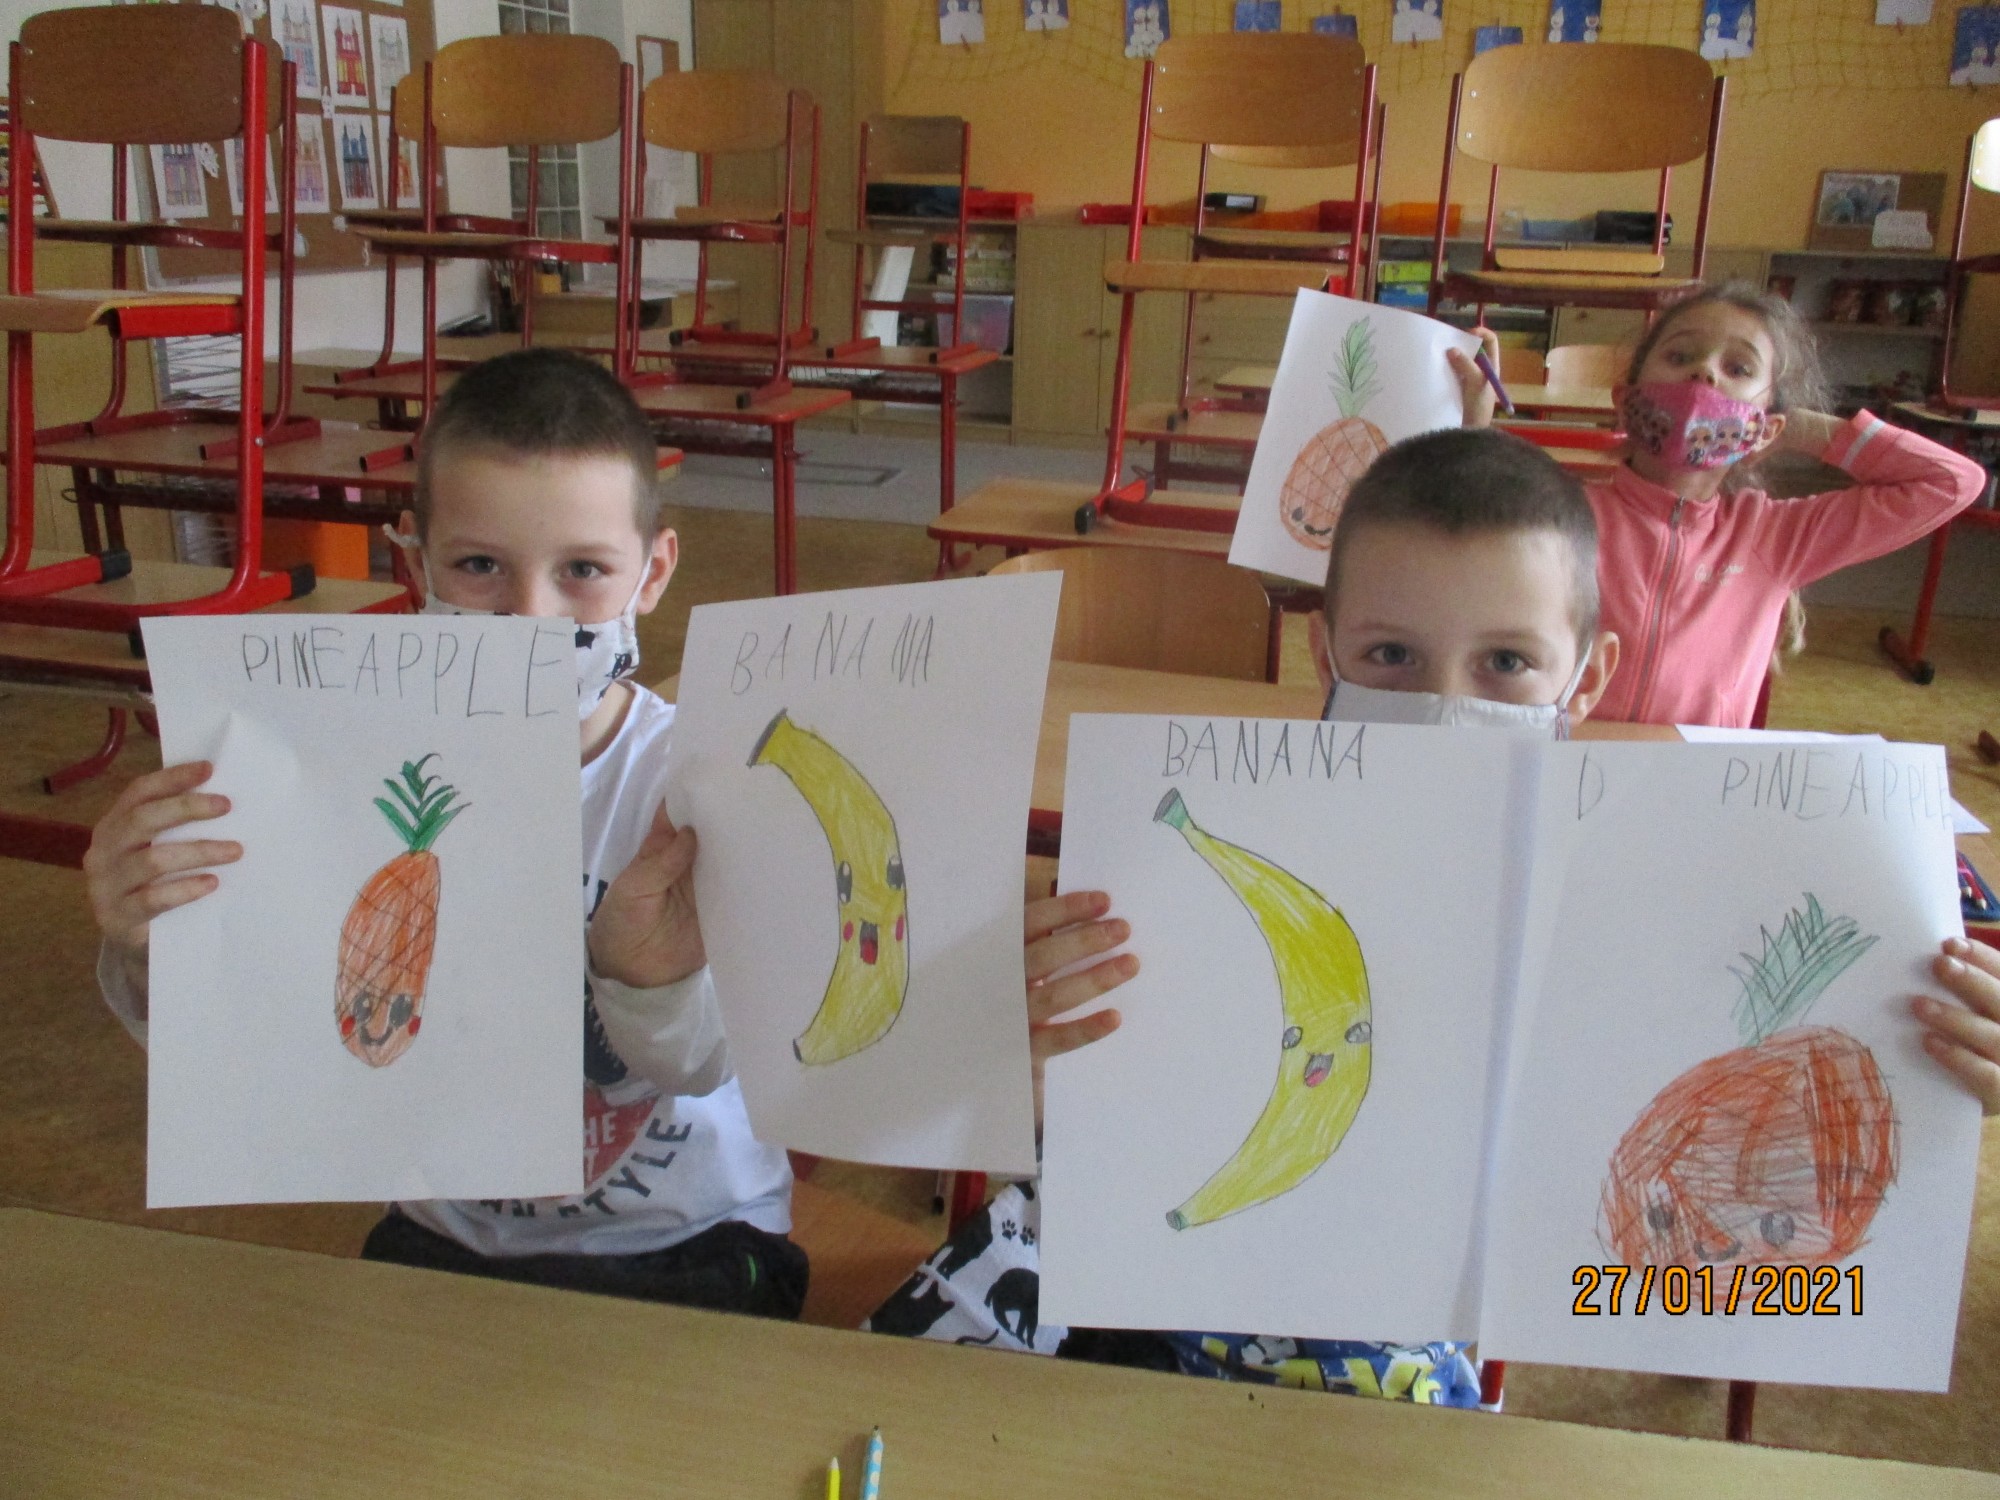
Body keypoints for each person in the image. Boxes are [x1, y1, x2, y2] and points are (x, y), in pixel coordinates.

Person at [867, 430, 1618, 1403]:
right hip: (1091, 1263)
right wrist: (1018, 1067)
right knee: (881, 1406)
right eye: (1391, 655)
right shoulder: (1170, 856)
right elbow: (1034, 1116)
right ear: (1324, 655)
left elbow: (1642, 1268)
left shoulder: (1604, 921)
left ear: (1586, 680)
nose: (1441, 704)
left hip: (1373, 1333)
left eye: (1506, 661)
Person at [83, 348, 805, 1316]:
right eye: (479, 567)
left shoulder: (700, 783)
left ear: (653, 571)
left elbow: (711, 1060)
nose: (530, 617)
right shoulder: (335, 780)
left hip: (687, 1238)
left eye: (583, 570)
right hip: (446, 1235)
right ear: (414, 564)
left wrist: (650, 981)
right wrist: (153, 947)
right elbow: (267, 1036)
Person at [1583, 282, 1986, 728]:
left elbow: (1951, 481)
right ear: (1626, 400)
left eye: (1738, 368)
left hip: (1701, 768)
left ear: (1766, 428)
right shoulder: (1565, 515)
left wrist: (1801, 430)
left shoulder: (1774, 536)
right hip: (1572, 760)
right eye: (1679, 357)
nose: (1704, 372)